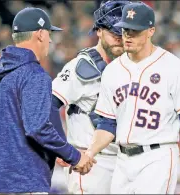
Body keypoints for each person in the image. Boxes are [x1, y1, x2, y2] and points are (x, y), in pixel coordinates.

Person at [84, 1, 180, 194]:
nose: (128, 36)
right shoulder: (112, 70)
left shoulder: (173, 67)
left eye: (135, 31)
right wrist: (89, 153)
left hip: (158, 157)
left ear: (151, 31)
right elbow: (107, 125)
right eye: (125, 30)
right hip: (122, 160)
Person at [0, 7, 95, 194]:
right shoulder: (34, 74)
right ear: (40, 34)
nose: (51, 40)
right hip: (25, 181)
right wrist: (74, 156)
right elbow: (37, 128)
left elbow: (14, 126)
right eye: (49, 33)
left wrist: (56, 151)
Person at [51, 1, 132, 193]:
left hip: (126, 163)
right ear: (99, 31)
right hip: (92, 165)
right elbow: (46, 105)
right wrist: (61, 148)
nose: (120, 39)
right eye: (114, 33)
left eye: (125, 33)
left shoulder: (131, 68)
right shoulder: (80, 67)